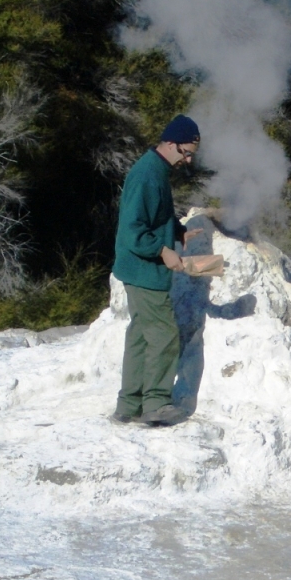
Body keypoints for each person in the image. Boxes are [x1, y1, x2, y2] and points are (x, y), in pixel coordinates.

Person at [110, 114, 203, 427]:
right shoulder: (148, 175)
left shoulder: (156, 170)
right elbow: (133, 230)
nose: (187, 160)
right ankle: (156, 404)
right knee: (164, 334)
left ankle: (128, 405)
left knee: (140, 335)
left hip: (138, 270)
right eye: (186, 153)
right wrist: (163, 251)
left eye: (191, 155)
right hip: (144, 271)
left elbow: (157, 216)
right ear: (171, 143)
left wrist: (177, 232)